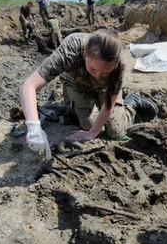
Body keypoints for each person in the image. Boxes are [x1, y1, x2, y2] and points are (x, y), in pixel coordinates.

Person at [19, 29, 158, 157]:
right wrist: (34, 127)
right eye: (93, 69)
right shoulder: (70, 49)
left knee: (115, 130)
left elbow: (108, 104)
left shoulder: (119, 63)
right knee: (89, 124)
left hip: (105, 89)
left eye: (104, 73)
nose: (97, 76)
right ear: (85, 51)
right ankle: (73, 105)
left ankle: (132, 102)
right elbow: (29, 85)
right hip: (77, 86)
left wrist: (92, 133)